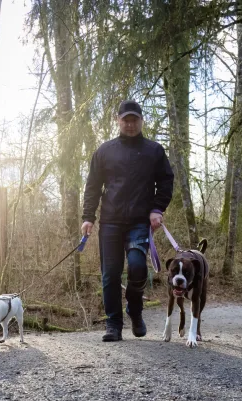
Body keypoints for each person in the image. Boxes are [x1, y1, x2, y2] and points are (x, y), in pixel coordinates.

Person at [81, 99, 174, 342]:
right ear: (118, 121)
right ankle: (113, 324)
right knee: (110, 274)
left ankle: (135, 308)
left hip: (139, 222)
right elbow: (92, 186)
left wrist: (157, 208)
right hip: (110, 221)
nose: (130, 124)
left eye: (134, 120)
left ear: (141, 121)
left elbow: (165, 181)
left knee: (137, 265)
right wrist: (88, 217)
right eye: (126, 120)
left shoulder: (154, 151)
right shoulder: (104, 151)